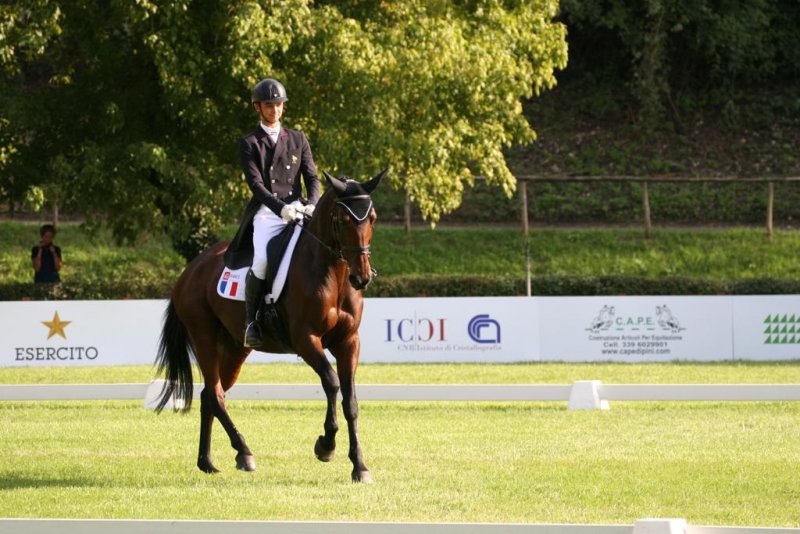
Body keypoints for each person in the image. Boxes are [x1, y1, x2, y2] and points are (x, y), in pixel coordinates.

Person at [227, 78, 321, 347]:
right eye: (269, 105)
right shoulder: (249, 143)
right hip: (269, 213)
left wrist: (312, 202)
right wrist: (281, 209)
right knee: (261, 261)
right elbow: (256, 185)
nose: (275, 110)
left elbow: (312, 178)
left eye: (279, 105)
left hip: (300, 208)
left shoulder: (298, 138)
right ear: (258, 107)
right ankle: (251, 322)